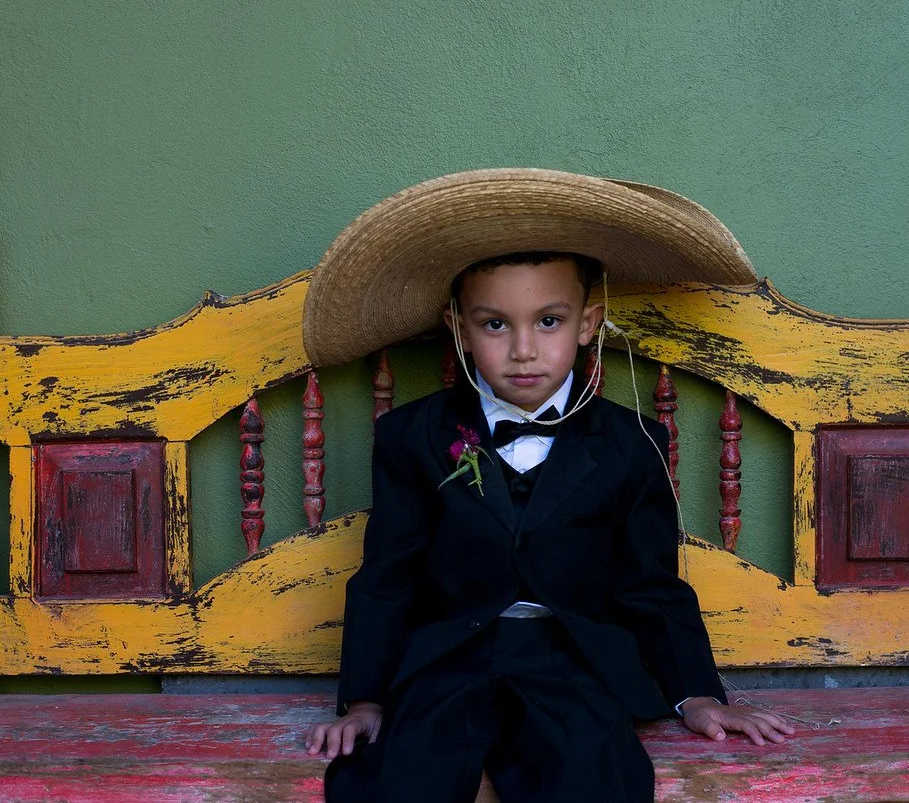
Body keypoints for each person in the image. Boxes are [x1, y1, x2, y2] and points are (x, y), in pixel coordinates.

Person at [300, 170, 793, 802]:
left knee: (594, 779)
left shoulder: (630, 443)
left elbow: (649, 581)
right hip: (448, 661)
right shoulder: (412, 437)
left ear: (588, 323)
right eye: (496, 325)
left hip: (572, 660)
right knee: (402, 781)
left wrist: (695, 694)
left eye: (550, 321)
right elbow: (387, 574)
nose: (525, 349)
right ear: (459, 327)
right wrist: (364, 700)